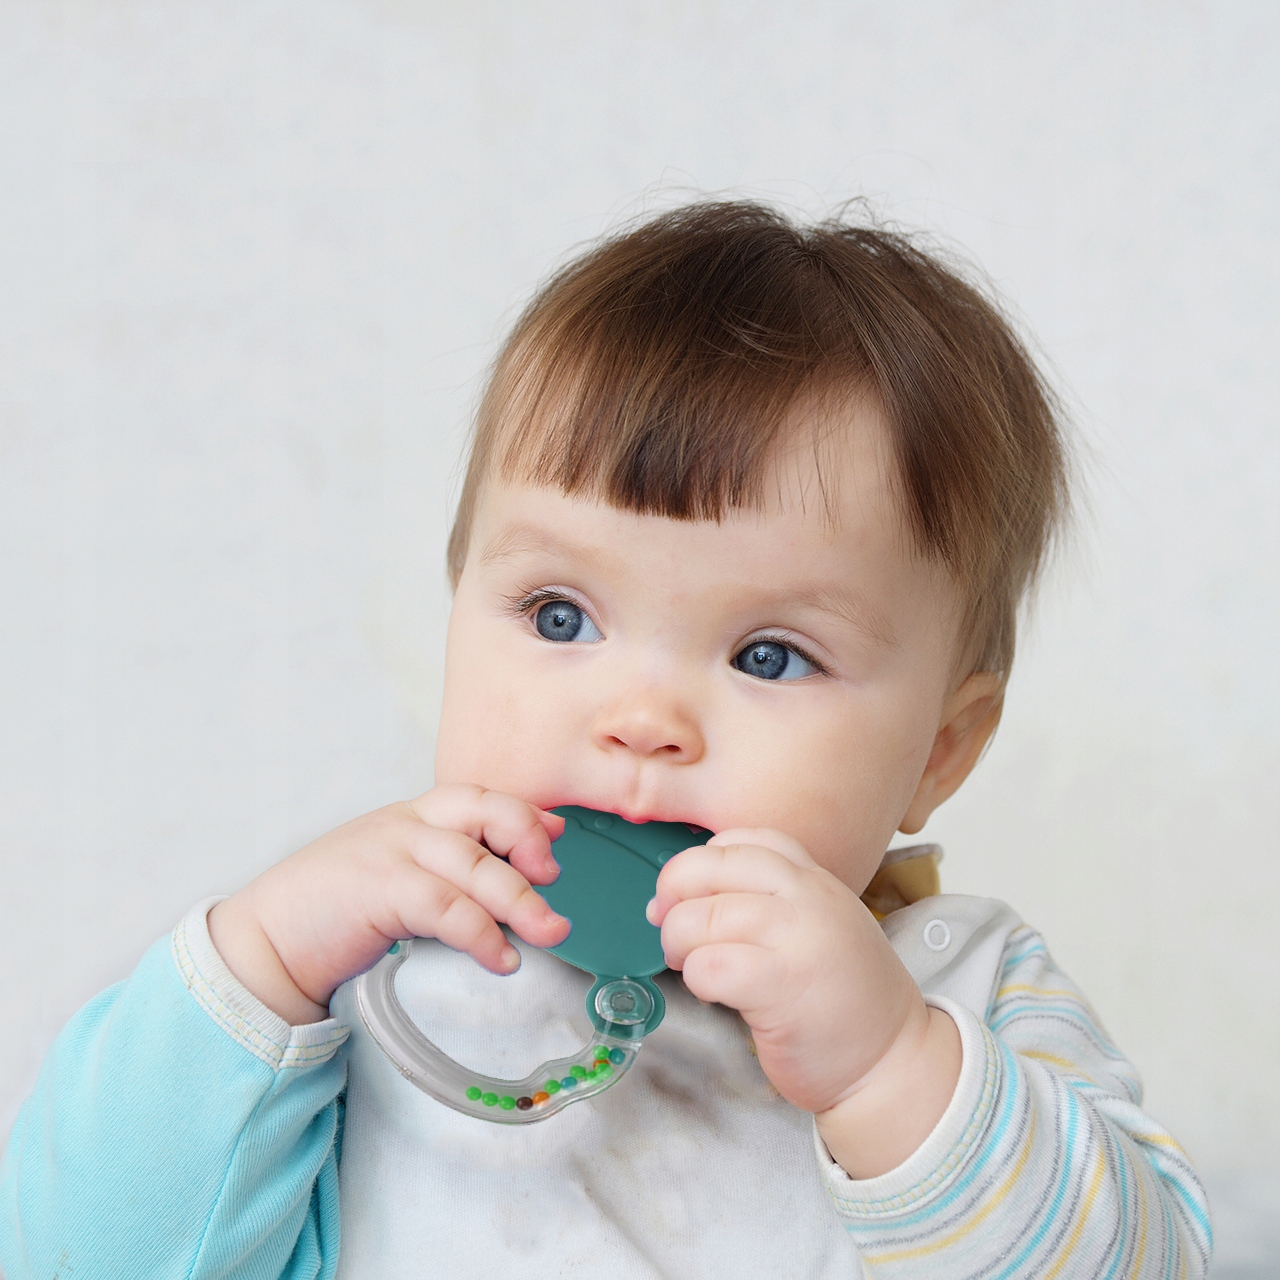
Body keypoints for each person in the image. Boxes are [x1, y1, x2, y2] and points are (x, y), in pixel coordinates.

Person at [0, 202, 1211, 1278]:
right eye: (559, 616)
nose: (639, 721)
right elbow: (73, 1246)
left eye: (768, 655)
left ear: (939, 750)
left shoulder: (966, 992)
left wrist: (886, 1069)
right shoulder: (365, 979)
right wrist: (258, 957)